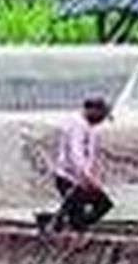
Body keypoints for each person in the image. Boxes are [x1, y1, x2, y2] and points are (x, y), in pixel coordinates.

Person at [36, 96, 113, 235]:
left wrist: (92, 175)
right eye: (101, 115)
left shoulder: (90, 128)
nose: (102, 119)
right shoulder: (77, 125)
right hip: (70, 178)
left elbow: (90, 155)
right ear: (92, 110)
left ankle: (58, 223)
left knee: (102, 205)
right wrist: (85, 176)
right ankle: (61, 227)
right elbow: (76, 154)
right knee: (82, 211)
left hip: (81, 179)